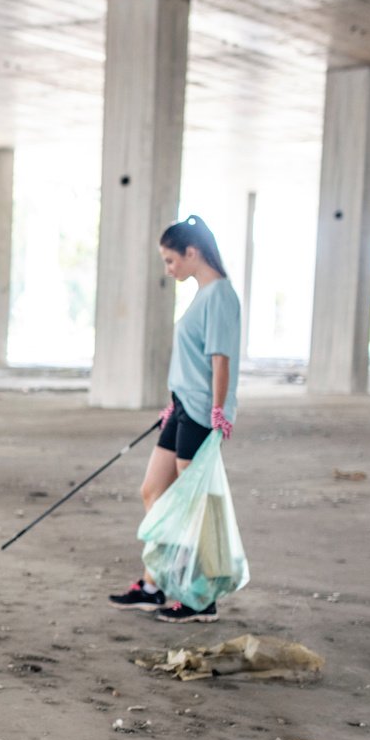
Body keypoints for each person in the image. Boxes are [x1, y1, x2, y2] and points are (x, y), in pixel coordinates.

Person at [107, 214, 240, 624]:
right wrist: (173, 400)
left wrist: (218, 410)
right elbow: (193, 359)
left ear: (192, 252)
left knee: (194, 507)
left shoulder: (219, 295)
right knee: (153, 491)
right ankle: (154, 584)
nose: (168, 269)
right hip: (182, 407)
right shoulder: (201, 295)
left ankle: (201, 598)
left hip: (201, 413)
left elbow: (221, 359)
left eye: (170, 260)